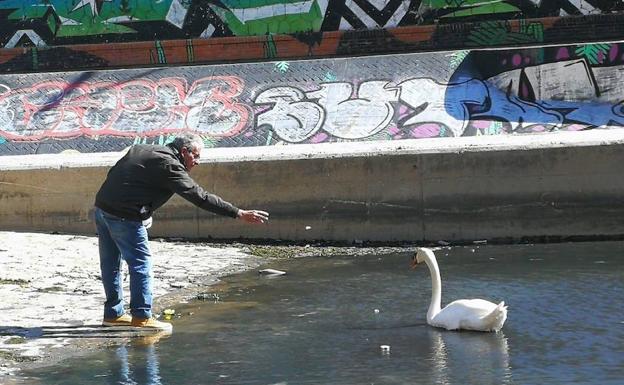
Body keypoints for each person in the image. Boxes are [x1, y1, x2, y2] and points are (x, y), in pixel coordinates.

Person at [94, 133, 269, 331]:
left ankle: (113, 314)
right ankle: (141, 317)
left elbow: (121, 176)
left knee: (110, 264)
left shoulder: (143, 149)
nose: (198, 162)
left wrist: (144, 209)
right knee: (141, 265)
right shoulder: (169, 165)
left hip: (102, 209)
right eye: (196, 156)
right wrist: (238, 213)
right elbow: (199, 196)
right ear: (184, 151)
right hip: (124, 216)